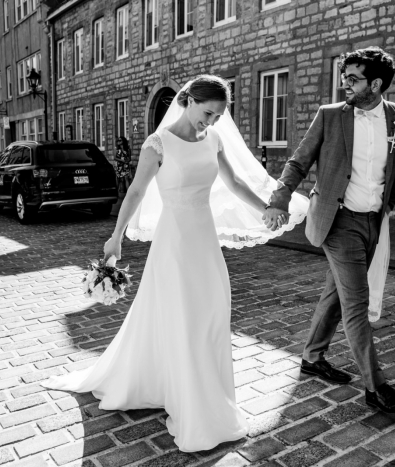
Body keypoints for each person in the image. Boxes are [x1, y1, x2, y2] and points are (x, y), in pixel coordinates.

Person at [42, 75, 308, 452]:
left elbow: (233, 184)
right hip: (174, 242)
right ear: (188, 100)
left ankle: (202, 392)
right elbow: (136, 191)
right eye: (207, 112)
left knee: (212, 312)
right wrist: (116, 237)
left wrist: (266, 208)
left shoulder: (213, 140)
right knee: (184, 317)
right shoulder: (159, 143)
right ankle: (191, 402)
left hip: (203, 240)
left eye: (218, 116)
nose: (211, 122)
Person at [265, 47, 395, 413]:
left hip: (374, 221)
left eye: (353, 78)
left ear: (376, 83)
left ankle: (313, 356)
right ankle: (375, 386)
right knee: (356, 302)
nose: (344, 84)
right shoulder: (330, 116)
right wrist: (279, 198)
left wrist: (387, 207)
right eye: (343, 77)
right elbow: (299, 159)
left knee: (336, 293)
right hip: (338, 221)